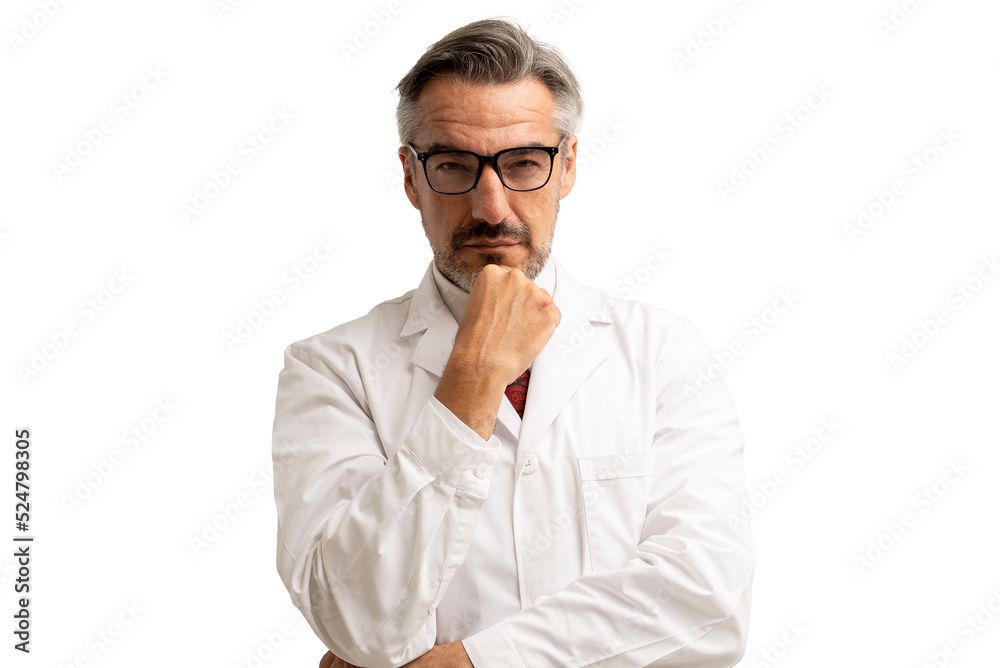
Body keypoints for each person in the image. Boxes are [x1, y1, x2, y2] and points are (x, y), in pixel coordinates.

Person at [271, 18, 755, 668]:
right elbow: (357, 618)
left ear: (568, 166)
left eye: (524, 163)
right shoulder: (334, 370)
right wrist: (470, 380)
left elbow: (708, 605)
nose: (491, 206)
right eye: (453, 166)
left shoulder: (662, 352)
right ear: (412, 179)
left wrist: (467, 663)